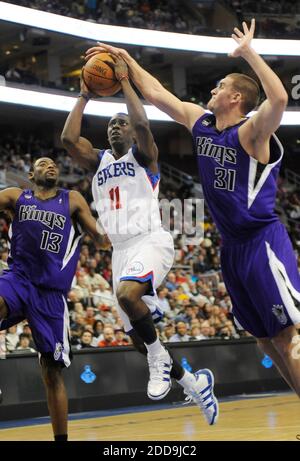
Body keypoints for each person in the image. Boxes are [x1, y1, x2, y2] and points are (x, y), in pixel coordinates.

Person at [85, 19, 300, 397]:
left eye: (220, 87)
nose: (212, 91)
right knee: (264, 341)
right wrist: (125, 61)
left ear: (236, 98)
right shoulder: (200, 124)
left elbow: (279, 99)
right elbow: (155, 93)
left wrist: (249, 53)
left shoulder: (252, 133)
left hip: (262, 241)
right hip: (231, 247)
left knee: (286, 336)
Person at [61, 56, 219, 424]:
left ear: (132, 132)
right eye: (111, 125)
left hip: (150, 240)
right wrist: (85, 95)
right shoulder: (98, 160)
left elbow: (144, 122)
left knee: (127, 296)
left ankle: (157, 356)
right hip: (121, 251)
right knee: (136, 333)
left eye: (122, 124)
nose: (115, 128)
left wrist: (124, 82)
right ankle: (194, 383)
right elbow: (69, 139)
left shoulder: (144, 157)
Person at [0, 157, 109, 440]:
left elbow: (100, 237)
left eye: (54, 164)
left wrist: (112, 229)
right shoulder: (16, 196)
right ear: (30, 173)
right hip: (18, 278)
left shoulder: (71, 199)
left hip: (50, 292)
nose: (51, 166)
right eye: (43, 163)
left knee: (51, 372)